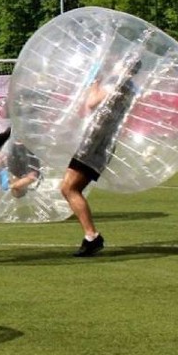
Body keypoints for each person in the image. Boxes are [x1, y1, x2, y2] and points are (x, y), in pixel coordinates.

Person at [61, 52, 143, 257]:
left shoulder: (118, 83)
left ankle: (92, 236)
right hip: (103, 143)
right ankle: (91, 236)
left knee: (69, 188)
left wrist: (94, 81)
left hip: (93, 142)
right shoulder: (131, 87)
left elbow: (91, 102)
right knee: (71, 188)